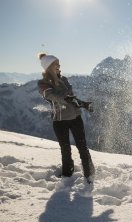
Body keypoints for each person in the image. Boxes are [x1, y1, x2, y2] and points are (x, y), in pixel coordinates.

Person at [37, 53, 95, 184]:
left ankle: (90, 175)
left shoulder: (64, 79)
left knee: (82, 147)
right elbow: (50, 95)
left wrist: (83, 104)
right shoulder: (43, 83)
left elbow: (72, 98)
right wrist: (65, 97)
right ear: (49, 67)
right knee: (65, 149)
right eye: (56, 64)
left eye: (58, 64)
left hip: (75, 117)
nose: (59, 66)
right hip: (59, 121)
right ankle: (67, 175)